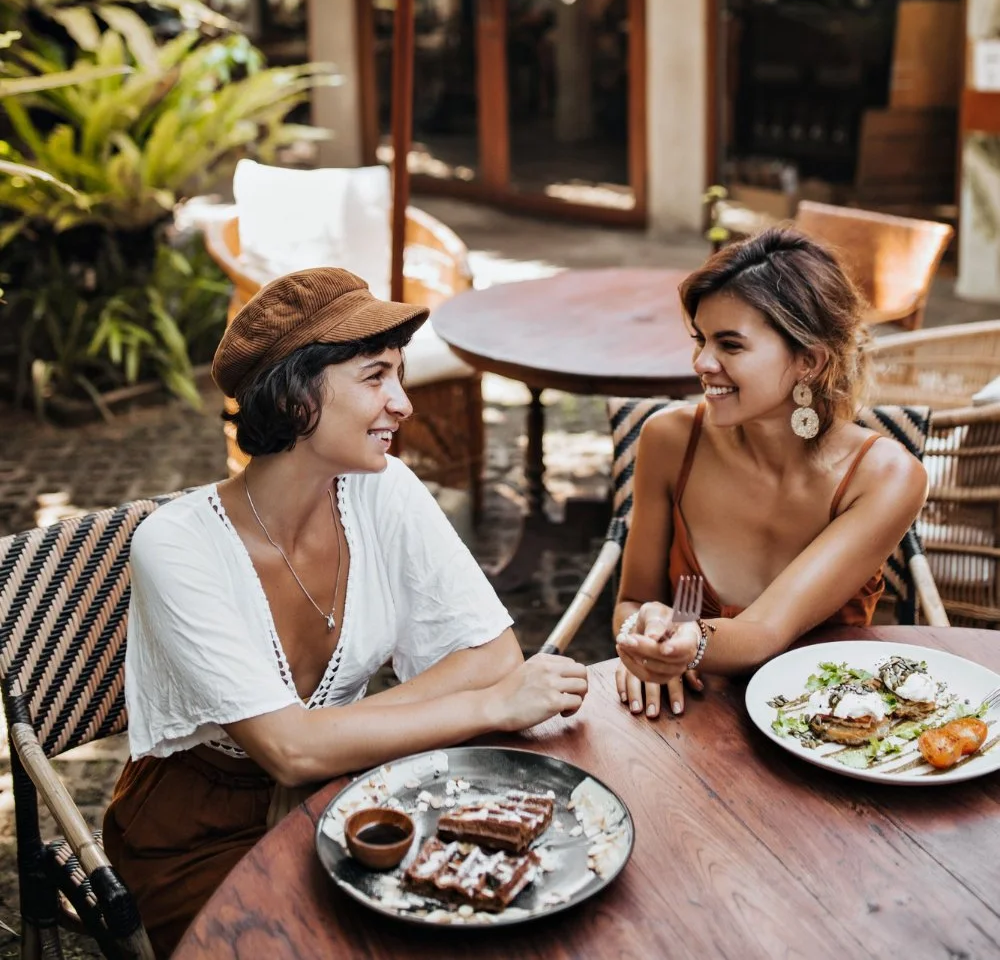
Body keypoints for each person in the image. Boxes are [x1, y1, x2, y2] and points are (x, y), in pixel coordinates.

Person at [103, 267, 587, 956]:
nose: (403, 404)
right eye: (375, 377)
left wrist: (328, 735)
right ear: (298, 393)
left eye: (399, 375)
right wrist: (492, 708)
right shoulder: (176, 545)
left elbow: (492, 656)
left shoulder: (380, 489)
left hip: (349, 790)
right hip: (200, 831)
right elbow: (289, 751)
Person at [614, 226, 927, 720]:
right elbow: (634, 599)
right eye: (700, 339)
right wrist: (641, 648)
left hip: (827, 731)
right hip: (684, 719)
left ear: (808, 360)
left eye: (730, 345)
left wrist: (686, 641)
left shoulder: (884, 478)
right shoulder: (669, 440)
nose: (701, 362)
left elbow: (764, 632)